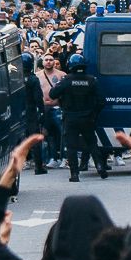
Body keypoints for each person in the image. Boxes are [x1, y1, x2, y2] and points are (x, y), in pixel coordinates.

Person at [53, 54, 108, 182]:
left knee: (71, 146)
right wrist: (93, 113)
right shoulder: (92, 80)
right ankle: (100, 167)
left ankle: (74, 174)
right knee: (92, 143)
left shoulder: (66, 80)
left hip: (70, 118)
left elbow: (52, 94)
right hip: (88, 118)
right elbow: (101, 101)